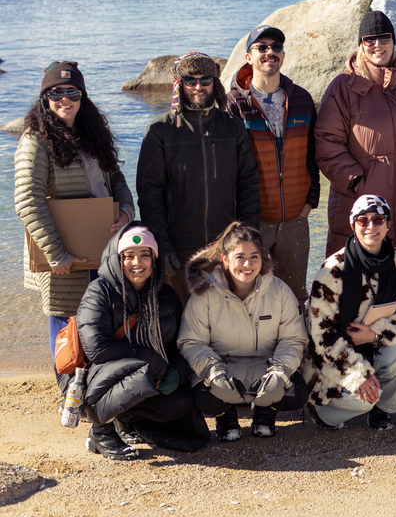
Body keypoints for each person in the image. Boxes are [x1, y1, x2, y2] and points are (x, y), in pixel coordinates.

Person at [14, 61, 134, 361]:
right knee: (67, 329)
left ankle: (97, 389)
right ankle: (70, 396)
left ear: (83, 97)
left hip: (102, 243)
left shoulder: (92, 133)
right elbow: (27, 200)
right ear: (45, 99)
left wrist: (127, 212)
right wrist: (56, 253)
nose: (65, 99)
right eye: (56, 93)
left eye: (73, 92)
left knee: (101, 319)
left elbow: (115, 177)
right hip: (62, 252)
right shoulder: (36, 140)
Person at [315, 11, 396, 273]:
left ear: (393, 41)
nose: (377, 45)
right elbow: (328, 143)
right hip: (361, 202)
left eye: (384, 37)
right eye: (369, 39)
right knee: (355, 289)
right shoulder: (343, 87)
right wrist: (356, 182)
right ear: (361, 44)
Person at [136, 51, 260, 304]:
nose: (198, 86)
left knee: (223, 319)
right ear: (179, 84)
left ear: (215, 83)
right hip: (179, 246)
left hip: (225, 245)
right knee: (180, 320)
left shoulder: (233, 127)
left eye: (206, 80)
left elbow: (248, 184)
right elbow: (149, 194)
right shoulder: (161, 131)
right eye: (190, 81)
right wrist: (162, 243)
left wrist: (246, 239)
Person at [77, 223, 204, 460]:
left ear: (154, 260)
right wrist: (152, 361)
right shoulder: (99, 292)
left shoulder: (166, 295)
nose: (137, 263)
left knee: (181, 402)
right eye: (129, 256)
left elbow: (182, 342)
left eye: (145, 255)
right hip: (101, 375)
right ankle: (101, 433)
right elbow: (96, 348)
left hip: (149, 374)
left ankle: (127, 419)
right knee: (133, 372)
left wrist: (177, 371)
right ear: (117, 258)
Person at [178, 222, 309, 441]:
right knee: (202, 397)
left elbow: (293, 338)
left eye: (254, 256)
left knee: (297, 393)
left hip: (267, 367)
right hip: (223, 369)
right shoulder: (205, 293)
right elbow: (191, 341)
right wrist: (213, 372)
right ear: (225, 259)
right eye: (239, 257)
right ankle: (225, 415)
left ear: (263, 258)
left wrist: (280, 371)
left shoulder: (279, 290)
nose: (247, 264)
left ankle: (266, 411)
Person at [304, 195, 396, 431]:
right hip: (332, 358)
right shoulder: (332, 270)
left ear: (388, 224)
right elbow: (320, 337)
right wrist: (359, 373)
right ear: (353, 224)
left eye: (378, 219)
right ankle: (323, 413)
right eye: (363, 220)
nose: (371, 226)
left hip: (374, 345)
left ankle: (383, 409)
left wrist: (375, 335)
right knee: (361, 402)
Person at [226, 24, 319, 305]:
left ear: (283, 54)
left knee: (294, 297)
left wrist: (309, 203)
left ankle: (295, 348)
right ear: (248, 56)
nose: (270, 52)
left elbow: (313, 155)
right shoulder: (234, 104)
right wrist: (240, 217)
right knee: (248, 295)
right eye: (262, 47)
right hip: (255, 222)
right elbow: (230, 166)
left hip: (296, 220)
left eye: (276, 47)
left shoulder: (301, 99)